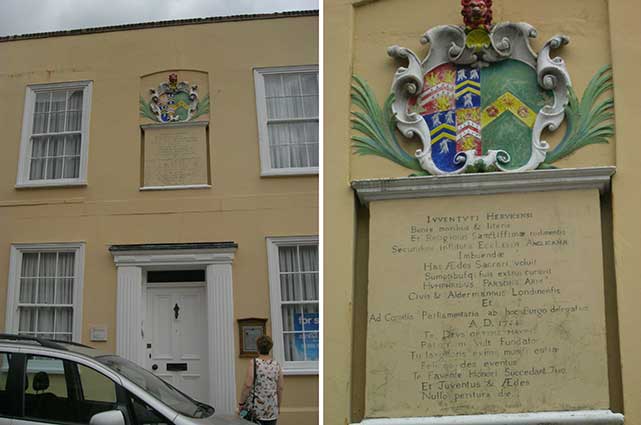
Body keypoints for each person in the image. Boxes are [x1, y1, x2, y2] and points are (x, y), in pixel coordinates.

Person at [239, 335, 284, 425]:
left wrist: (241, 403)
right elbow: (280, 387)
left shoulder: (254, 363)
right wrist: (278, 406)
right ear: (270, 348)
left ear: (258, 348)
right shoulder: (276, 365)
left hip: (255, 411)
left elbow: (248, 385)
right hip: (272, 410)